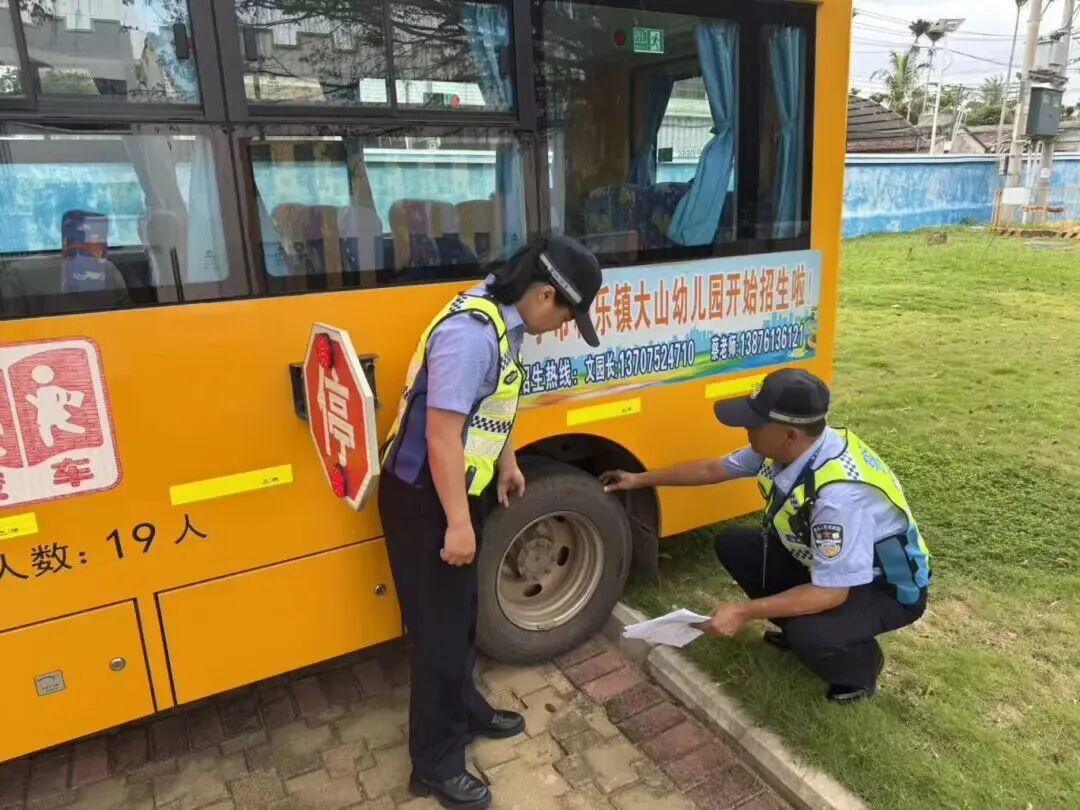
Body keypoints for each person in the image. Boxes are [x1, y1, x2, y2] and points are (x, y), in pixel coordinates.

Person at [379, 234, 603, 809]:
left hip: (457, 489)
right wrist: (457, 523)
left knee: (462, 616)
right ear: (545, 293)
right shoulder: (470, 334)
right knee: (437, 635)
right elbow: (440, 436)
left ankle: (466, 708)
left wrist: (507, 461)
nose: (560, 328)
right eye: (566, 316)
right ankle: (434, 764)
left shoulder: (507, 321)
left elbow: (494, 404)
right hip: (426, 497)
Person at [601, 368, 930, 703]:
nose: (746, 428)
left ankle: (859, 669)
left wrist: (743, 611)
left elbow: (831, 593)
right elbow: (712, 469)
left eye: (754, 422)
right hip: (830, 565)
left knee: (810, 632)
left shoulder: (838, 500)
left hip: (884, 588)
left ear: (789, 435)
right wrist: (638, 479)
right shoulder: (793, 448)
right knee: (736, 546)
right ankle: (800, 625)